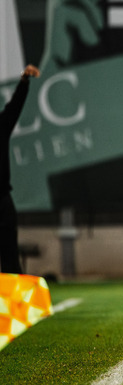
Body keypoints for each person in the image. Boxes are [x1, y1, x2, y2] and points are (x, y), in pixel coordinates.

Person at [1, 64, 39, 274]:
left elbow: (14, 107)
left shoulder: (1, 125)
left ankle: (13, 305)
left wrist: (24, 81)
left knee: (9, 256)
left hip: (2, 200)